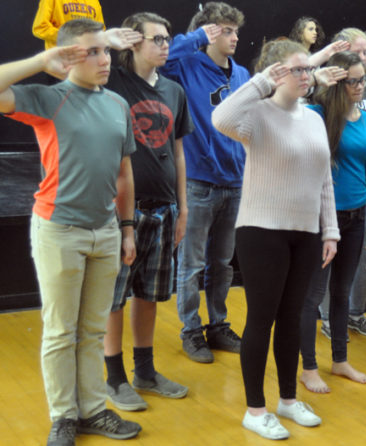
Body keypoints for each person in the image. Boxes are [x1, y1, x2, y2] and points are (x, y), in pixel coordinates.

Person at [0, 18, 142, 445]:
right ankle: (64, 415)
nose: (104, 59)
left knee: (93, 329)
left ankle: (93, 410)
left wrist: (128, 228)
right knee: (61, 330)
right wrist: (43, 59)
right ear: (68, 57)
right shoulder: (48, 99)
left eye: (106, 51)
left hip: (106, 231)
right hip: (59, 230)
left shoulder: (117, 104)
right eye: (92, 52)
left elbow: (123, 174)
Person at [211, 39, 340, 440]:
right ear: (276, 73)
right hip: (261, 230)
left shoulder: (314, 117)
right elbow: (221, 117)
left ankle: (286, 399)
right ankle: (255, 409)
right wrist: (263, 81)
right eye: (297, 70)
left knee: (291, 318)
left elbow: (324, 179)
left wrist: (330, 229)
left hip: (305, 232)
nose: (308, 77)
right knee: (261, 319)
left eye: (308, 70)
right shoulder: (256, 115)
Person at [102, 12, 194, 412]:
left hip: (165, 208)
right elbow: (71, 59)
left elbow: (178, 151)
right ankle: (115, 378)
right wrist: (105, 40)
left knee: (149, 294)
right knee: (114, 297)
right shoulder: (112, 80)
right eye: (157, 38)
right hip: (123, 209)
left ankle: (145, 371)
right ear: (133, 42)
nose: (166, 44)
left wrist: (184, 206)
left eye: (168, 38)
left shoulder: (173, 90)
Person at [159, 2, 248, 363]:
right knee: (192, 263)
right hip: (198, 182)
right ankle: (190, 330)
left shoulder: (241, 73)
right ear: (209, 33)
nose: (235, 37)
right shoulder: (188, 64)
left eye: (236, 30)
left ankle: (218, 325)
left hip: (235, 181)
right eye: (226, 30)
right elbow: (162, 59)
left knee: (223, 262)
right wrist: (196, 37)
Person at [300, 51, 366, 393]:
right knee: (313, 294)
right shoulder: (317, 115)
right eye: (352, 80)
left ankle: (339, 360)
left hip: (356, 216)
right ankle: (307, 367)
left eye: (363, 79)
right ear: (337, 82)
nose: (360, 86)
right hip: (323, 218)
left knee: (342, 292)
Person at [317, 27, 366, 340]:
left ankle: (354, 313)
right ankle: (327, 317)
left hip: (363, 199)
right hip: (329, 203)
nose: (365, 60)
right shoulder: (320, 109)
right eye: (358, 53)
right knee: (327, 266)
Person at [32, 0, 104, 50]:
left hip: (88, 61)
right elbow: (40, 27)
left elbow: (101, 30)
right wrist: (70, 37)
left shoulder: (94, 2)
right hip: (61, 62)